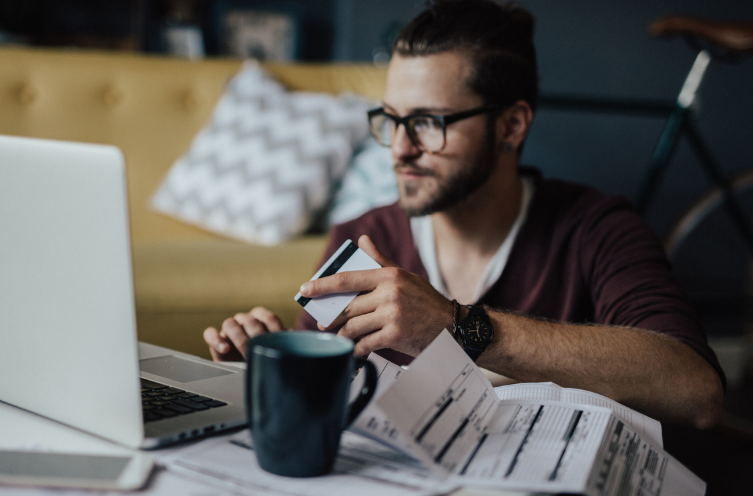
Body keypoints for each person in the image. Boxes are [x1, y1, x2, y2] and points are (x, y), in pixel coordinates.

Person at [202, 0, 724, 428]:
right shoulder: (364, 237)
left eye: (428, 122)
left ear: (512, 126)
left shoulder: (597, 229)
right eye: (392, 120)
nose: (400, 149)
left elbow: (696, 393)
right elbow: (327, 398)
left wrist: (459, 327)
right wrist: (267, 373)